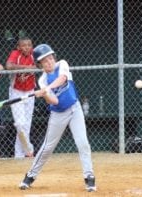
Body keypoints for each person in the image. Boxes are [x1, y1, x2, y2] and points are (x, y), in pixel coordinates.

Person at [19, 44, 96, 192]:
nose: (49, 62)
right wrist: (46, 93)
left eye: (50, 58)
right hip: (58, 114)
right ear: (40, 64)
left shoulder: (62, 64)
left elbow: (63, 78)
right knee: (47, 147)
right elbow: (55, 102)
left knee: (83, 143)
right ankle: (30, 176)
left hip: (75, 109)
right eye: (44, 61)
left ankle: (89, 177)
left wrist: (48, 88)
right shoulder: (42, 81)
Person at [6, 37, 37, 158]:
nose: (27, 47)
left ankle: (19, 155)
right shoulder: (15, 53)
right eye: (24, 45)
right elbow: (8, 66)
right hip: (16, 92)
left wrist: (34, 67)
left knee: (27, 125)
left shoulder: (34, 54)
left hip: (30, 92)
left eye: (29, 45)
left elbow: (41, 64)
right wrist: (25, 68)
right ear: (19, 47)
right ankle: (29, 149)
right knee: (20, 123)